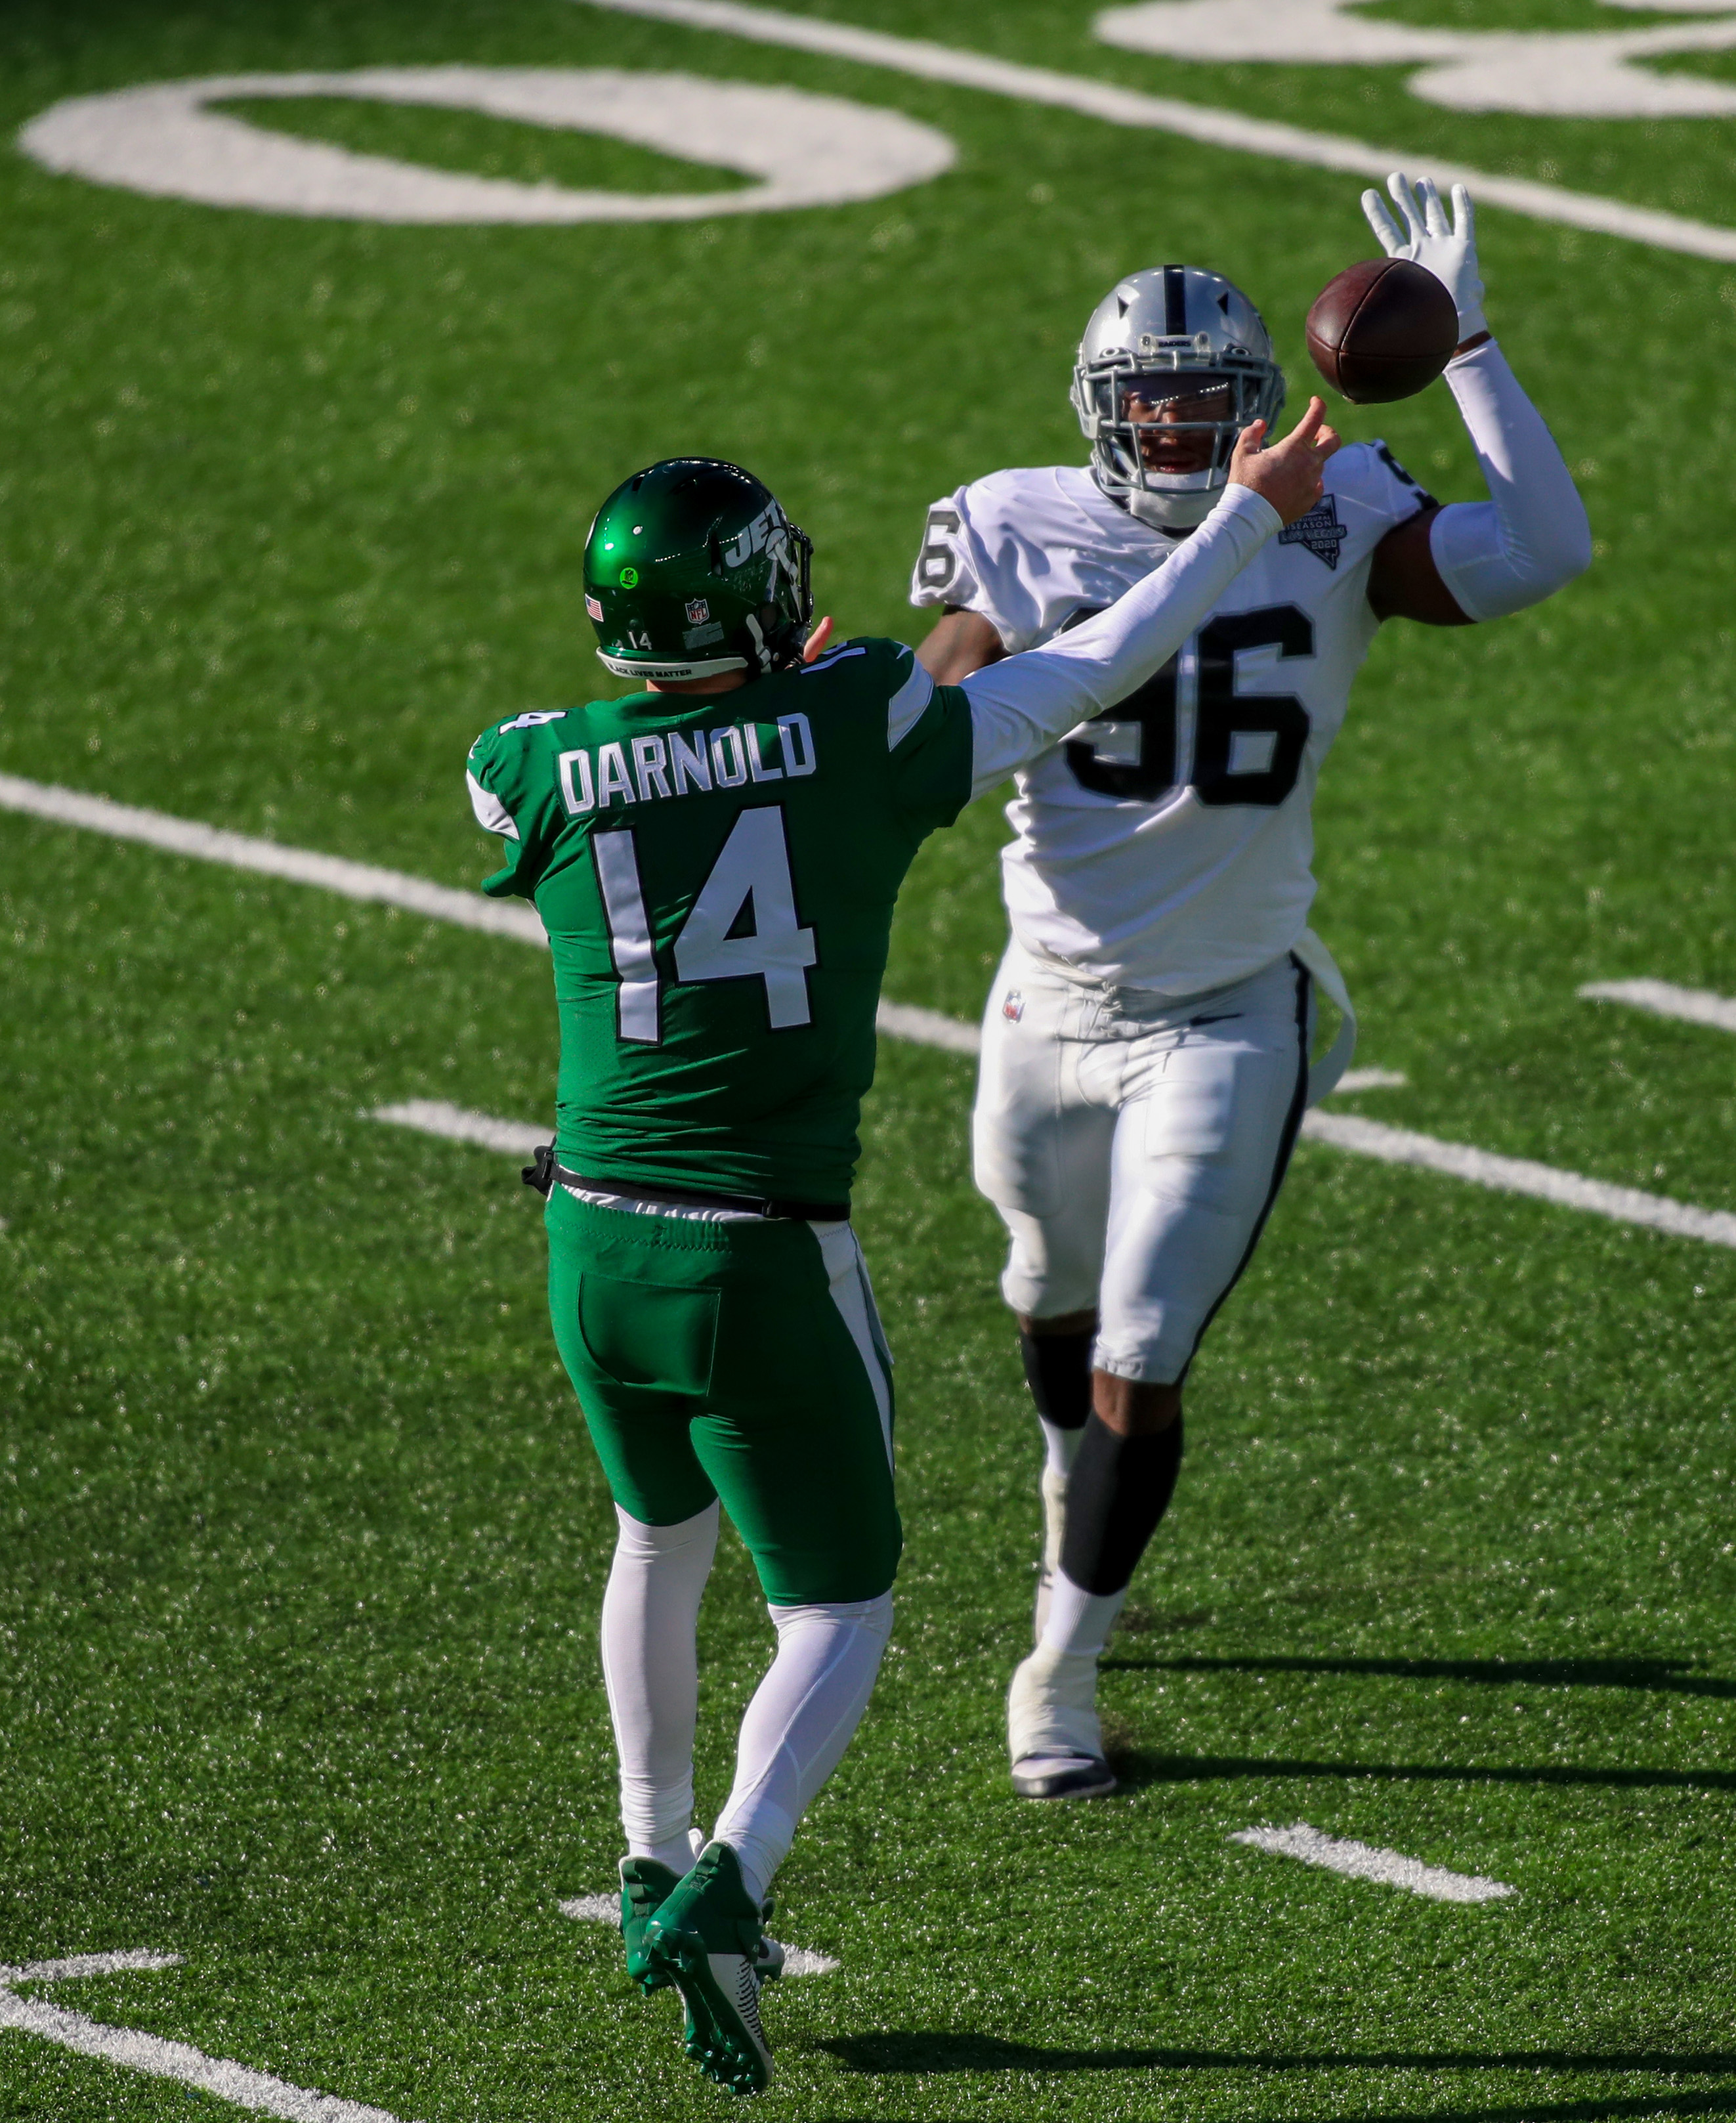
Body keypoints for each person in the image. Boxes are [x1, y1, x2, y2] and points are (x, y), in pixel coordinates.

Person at [465, 419, 1333, 2092]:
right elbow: (1086, 670)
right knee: (843, 1605)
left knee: (659, 1531)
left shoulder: (537, 763)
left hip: (592, 1238)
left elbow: (537, 784)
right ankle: (734, 1877)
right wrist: (1236, 519)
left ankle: (649, 1849)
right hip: (762, 1247)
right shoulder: (858, 717)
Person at [909, 176, 1592, 1804]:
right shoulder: (1013, 520)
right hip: (1047, 1000)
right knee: (1047, 1304)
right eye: (1148, 406)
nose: (1172, 434)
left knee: (1143, 1352)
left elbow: (1543, 549)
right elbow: (939, 707)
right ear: (1097, 409)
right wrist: (874, 698)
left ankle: (1058, 1669)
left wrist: (1471, 344)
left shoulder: (1338, 499)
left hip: (1228, 1007)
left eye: (1207, 411)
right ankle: (1076, 1499)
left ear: (1251, 414)